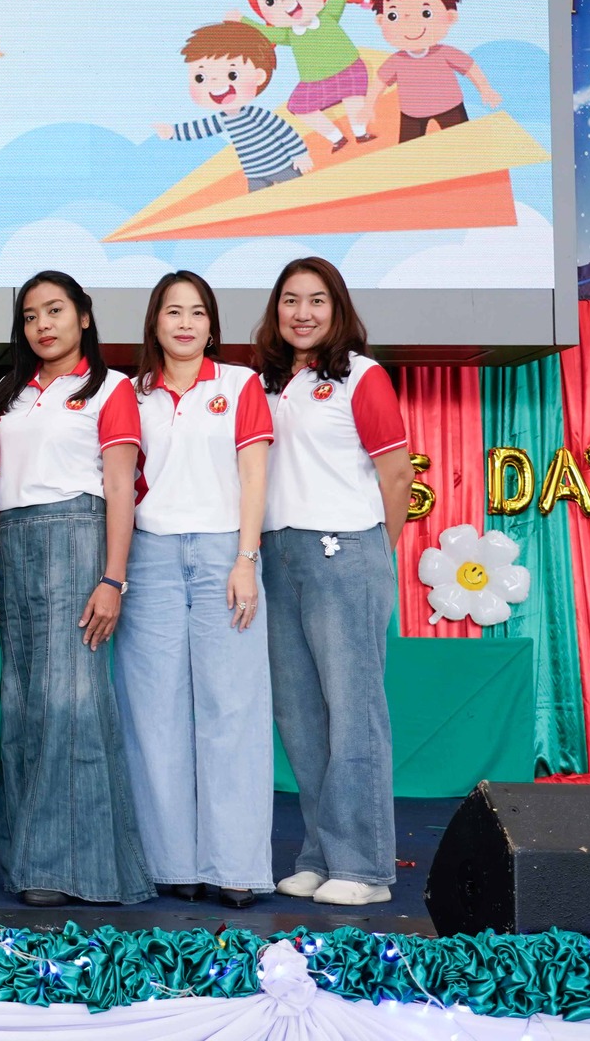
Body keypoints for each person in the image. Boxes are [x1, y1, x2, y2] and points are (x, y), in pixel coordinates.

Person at [0, 270, 152, 907]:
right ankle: (30, 860)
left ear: (84, 316)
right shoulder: (11, 393)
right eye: (30, 316)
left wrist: (112, 578)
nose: (42, 325)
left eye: (54, 311)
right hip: (15, 545)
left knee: (70, 703)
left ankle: (76, 870)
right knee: (23, 703)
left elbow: (120, 488)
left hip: (77, 540)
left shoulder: (110, 388)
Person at [114, 271, 275, 911]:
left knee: (232, 708)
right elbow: (120, 484)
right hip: (150, 557)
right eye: (173, 311)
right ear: (154, 322)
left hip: (223, 554)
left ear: (212, 326)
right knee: (153, 713)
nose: (185, 323)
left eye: (198, 312)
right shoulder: (130, 393)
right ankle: (171, 862)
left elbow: (254, 475)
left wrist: (245, 558)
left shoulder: (238, 385)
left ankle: (236, 866)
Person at [255, 256, 412, 906]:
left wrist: (373, 552)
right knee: (300, 718)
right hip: (278, 555)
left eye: (316, 300)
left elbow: (397, 475)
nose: (303, 313)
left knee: (354, 714)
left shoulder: (361, 376)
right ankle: (321, 856)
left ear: (337, 307)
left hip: (343, 551)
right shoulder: (266, 384)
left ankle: (366, 869)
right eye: (290, 300)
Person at [231, 0, 376, 151]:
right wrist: (243, 20)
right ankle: (336, 137)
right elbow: (267, 32)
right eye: (270, 1)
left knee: (354, 99)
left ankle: (361, 132)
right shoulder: (289, 33)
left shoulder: (328, 15)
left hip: (348, 69)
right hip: (315, 81)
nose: (285, 1)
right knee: (299, 107)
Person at [154, 22, 314, 192]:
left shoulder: (257, 114)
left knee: (297, 193)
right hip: (255, 175)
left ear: (258, 77)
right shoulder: (222, 120)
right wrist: (173, 132)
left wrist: (300, 155)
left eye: (232, 74)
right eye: (200, 77)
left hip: (281, 166)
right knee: (258, 203)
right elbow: (200, 128)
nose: (214, 81)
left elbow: (284, 132)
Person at [370, 0, 502, 143]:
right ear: (381, 21)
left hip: (450, 107)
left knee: (463, 142)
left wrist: (485, 89)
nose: (410, 23)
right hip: (412, 113)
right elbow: (380, 81)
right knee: (408, 149)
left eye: (426, 13)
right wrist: (368, 106)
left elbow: (469, 66)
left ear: (450, 16)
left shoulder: (445, 53)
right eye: (394, 16)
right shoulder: (396, 61)